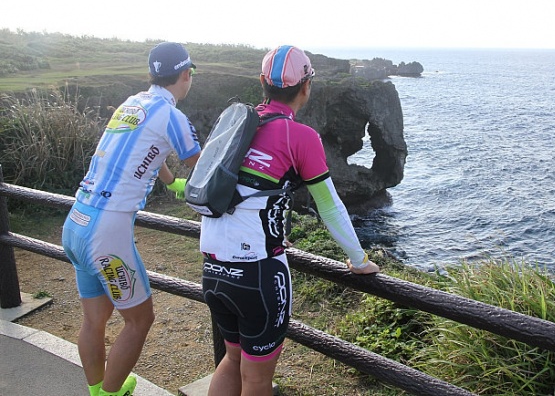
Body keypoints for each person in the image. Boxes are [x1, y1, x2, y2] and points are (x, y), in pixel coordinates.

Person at [200, 45, 380, 395]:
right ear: (306, 87)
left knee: (231, 360)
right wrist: (359, 261)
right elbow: (329, 207)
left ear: (262, 82)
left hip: (212, 265)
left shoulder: (235, 123)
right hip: (257, 272)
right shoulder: (299, 136)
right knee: (256, 379)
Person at [61, 42, 202, 396]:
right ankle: (109, 395)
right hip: (106, 235)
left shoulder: (132, 103)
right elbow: (203, 169)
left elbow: (150, 151)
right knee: (140, 320)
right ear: (185, 75)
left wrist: (172, 185)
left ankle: (98, 390)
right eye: (191, 75)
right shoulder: (172, 117)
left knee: (94, 320)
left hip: (77, 221)